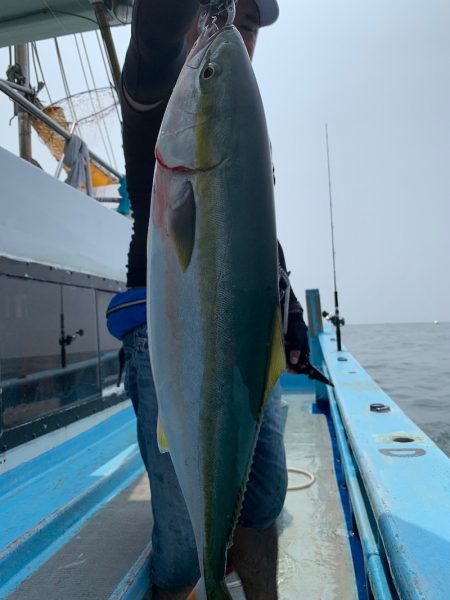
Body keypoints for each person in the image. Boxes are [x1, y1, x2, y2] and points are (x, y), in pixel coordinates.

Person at [107, 1, 310, 598]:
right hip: (169, 332)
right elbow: (153, 45)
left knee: (264, 495)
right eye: (229, 15)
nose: (241, 35)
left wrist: (290, 314)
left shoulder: (235, 110)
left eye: (250, 27)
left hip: (243, 336)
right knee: (179, 539)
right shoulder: (163, 102)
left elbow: (250, 238)